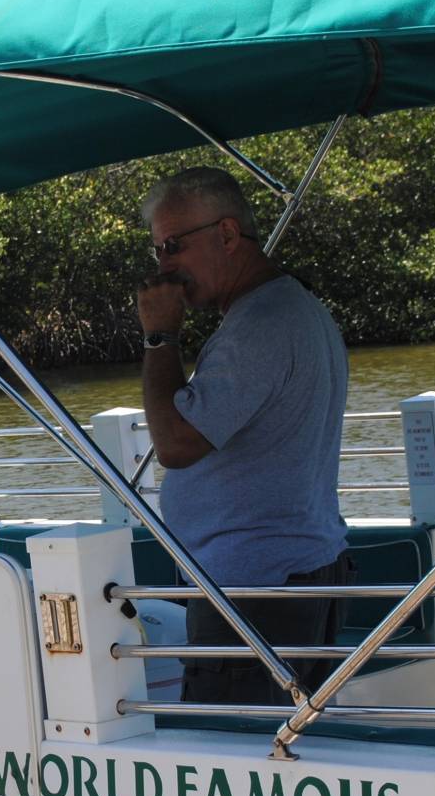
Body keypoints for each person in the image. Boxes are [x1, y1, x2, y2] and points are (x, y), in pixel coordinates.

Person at [134, 166, 350, 705]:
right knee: (287, 749)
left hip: (255, 590)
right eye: (158, 251)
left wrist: (160, 336)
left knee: (230, 756)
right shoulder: (290, 308)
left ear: (228, 235)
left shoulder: (262, 325)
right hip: (289, 574)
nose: (164, 268)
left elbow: (177, 444)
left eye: (174, 246)